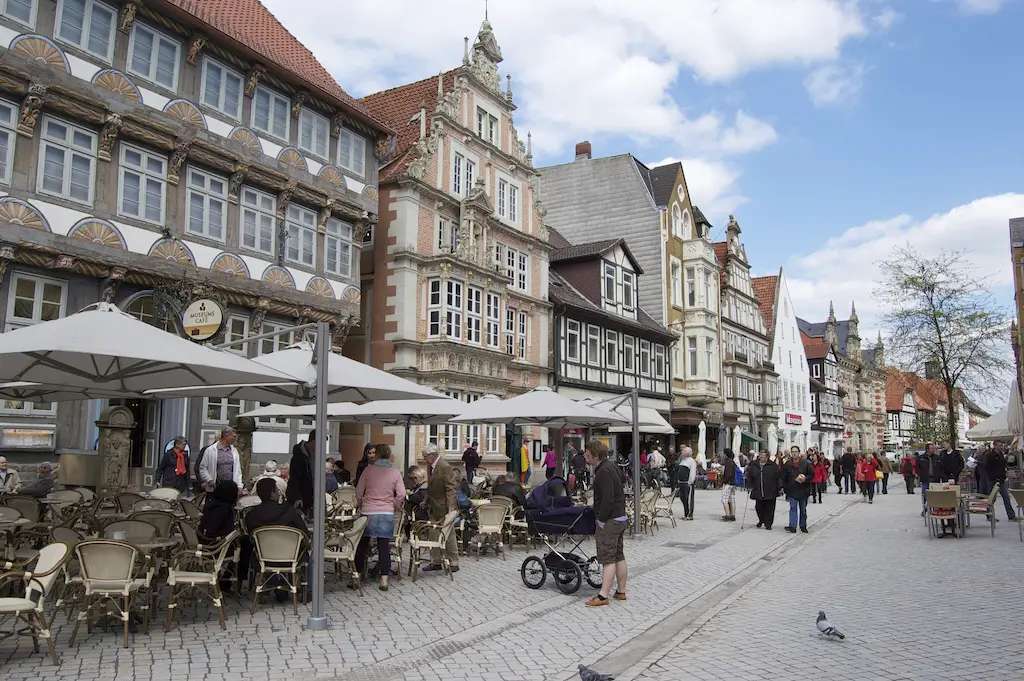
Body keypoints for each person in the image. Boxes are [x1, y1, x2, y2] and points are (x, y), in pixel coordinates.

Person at [354, 444, 405, 591]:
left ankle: (358, 575)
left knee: (362, 545)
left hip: (368, 511)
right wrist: (394, 504)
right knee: (384, 546)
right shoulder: (395, 472)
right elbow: (401, 494)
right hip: (386, 512)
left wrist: (360, 504)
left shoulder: (368, 470)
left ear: (376, 455)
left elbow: (358, 491)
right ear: (389, 455)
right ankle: (384, 580)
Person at [585, 439, 628, 607]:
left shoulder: (602, 471)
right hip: (620, 517)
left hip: (610, 520)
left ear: (596, 456)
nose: (586, 458)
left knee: (607, 559)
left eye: (588, 455)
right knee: (619, 555)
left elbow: (608, 499)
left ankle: (603, 595)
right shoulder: (612, 466)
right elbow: (623, 480)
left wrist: (601, 520)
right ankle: (621, 591)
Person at [421, 443, 459, 573]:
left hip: (443, 505)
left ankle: (454, 562)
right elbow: (430, 486)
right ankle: (436, 561)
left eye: (425, 456)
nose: (424, 458)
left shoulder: (444, 466)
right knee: (433, 532)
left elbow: (451, 488)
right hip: (433, 504)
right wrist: (425, 500)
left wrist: (451, 508)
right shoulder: (430, 465)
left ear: (432, 455)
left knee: (448, 534)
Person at [197, 428, 243, 493]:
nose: (235, 439)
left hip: (230, 487)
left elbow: (238, 470)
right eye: (234, 436)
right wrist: (209, 480)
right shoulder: (210, 450)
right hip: (215, 486)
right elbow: (203, 468)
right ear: (227, 436)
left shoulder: (234, 451)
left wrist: (239, 485)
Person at [981, 441, 1017, 522]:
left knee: (1006, 498)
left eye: (1002, 445)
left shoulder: (1001, 454)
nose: (1001, 447)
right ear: (995, 446)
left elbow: (1003, 465)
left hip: (1001, 480)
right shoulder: (989, 455)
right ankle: (989, 515)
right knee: (992, 499)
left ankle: (1011, 516)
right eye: (1000, 445)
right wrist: (993, 477)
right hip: (993, 480)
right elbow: (986, 467)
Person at [781, 446, 813, 533]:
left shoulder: (805, 463)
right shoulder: (787, 464)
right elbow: (783, 477)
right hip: (792, 490)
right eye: (793, 452)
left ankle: (803, 525)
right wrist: (783, 487)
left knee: (803, 509)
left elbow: (811, 475)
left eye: (796, 451)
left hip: (803, 489)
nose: (794, 453)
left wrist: (805, 478)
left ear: (799, 453)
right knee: (793, 508)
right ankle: (792, 526)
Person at [747, 450, 781, 530]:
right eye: (760, 455)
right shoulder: (754, 465)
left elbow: (778, 477)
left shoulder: (773, 466)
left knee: (770, 509)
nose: (761, 457)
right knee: (758, 507)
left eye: (763, 455)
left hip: (770, 490)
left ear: (767, 456)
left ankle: (768, 524)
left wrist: (780, 487)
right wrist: (749, 484)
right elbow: (750, 476)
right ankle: (761, 519)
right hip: (758, 489)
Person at [286, 430, 316, 513]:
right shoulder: (299, 457)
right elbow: (294, 479)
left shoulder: (313, 455)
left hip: (310, 499)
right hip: (301, 500)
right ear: (314, 441)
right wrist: (297, 498)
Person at [917, 443, 944, 517]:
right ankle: (925, 509)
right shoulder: (921, 458)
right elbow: (917, 468)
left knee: (936, 495)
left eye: (934, 448)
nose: (934, 450)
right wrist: (921, 475)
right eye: (932, 448)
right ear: (928, 449)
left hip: (935, 480)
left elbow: (941, 468)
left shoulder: (937, 458)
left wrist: (940, 476)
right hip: (926, 480)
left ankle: (935, 509)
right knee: (925, 495)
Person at [676, 446, 697, 521]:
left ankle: (690, 515)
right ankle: (686, 513)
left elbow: (692, 472)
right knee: (683, 498)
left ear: (687, 453)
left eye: (684, 451)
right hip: (681, 482)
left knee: (688, 499)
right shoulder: (683, 460)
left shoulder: (691, 461)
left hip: (687, 483)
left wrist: (690, 482)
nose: (682, 452)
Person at [720, 449, 738, 522]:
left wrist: (724, 481)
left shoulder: (728, 462)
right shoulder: (733, 462)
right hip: (733, 483)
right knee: (732, 499)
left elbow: (728, 474)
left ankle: (727, 515)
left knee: (725, 499)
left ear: (726, 454)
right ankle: (732, 515)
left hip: (728, 483)